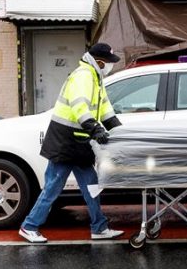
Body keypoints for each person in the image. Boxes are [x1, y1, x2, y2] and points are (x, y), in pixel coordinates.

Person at [19, 43, 125, 243]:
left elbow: (105, 109)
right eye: (109, 62)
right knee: (53, 187)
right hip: (65, 141)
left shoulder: (96, 78)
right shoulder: (83, 76)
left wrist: (118, 129)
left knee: (92, 185)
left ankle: (99, 227)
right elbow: (79, 106)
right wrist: (95, 129)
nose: (110, 66)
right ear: (100, 61)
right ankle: (29, 226)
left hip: (79, 142)